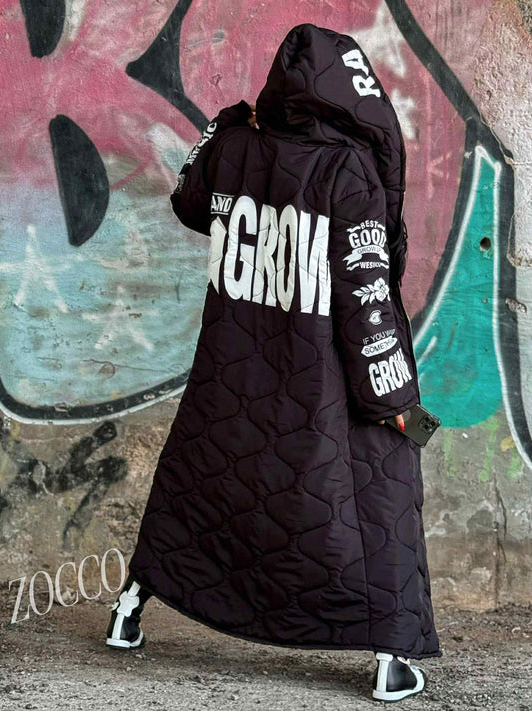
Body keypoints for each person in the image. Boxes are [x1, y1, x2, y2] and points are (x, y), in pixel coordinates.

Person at [105, 23, 442, 703]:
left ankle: (127, 610)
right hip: (319, 386)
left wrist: (226, 123)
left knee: (197, 487)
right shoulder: (348, 171)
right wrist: (395, 403)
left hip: (230, 381)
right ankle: (391, 659)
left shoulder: (234, 148)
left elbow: (189, 201)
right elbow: (366, 298)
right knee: (384, 481)